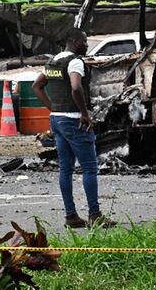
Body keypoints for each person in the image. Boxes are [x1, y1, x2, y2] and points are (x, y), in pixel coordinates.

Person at [33, 28, 116, 229]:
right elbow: (76, 87)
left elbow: (36, 86)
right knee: (89, 167)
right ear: (74, 41)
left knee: (66, 169)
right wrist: (85, 113)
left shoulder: (52, 62)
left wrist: (53, 108)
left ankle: (71, 215)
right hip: (74, 120)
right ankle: (94, 215)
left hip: (57, 120)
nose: (87, 45)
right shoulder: (75, 62)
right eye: (85, 41)